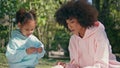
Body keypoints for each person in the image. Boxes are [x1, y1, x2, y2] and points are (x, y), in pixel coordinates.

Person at [54, 0, 120, 68]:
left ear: (82, 19)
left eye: (72, 22)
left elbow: (102, 65)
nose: (69, 26)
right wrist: (66, 66)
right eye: (67, 23)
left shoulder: (99, 34)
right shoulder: (73, 40)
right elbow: (76, 65)